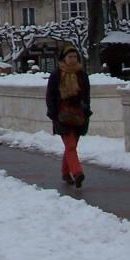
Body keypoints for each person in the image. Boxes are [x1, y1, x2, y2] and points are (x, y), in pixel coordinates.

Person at [45, 46, 92, 188]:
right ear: (63, 58)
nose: (72, 60)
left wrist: (86, 109)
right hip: (61, 114)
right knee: (70, 145)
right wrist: (53, 113)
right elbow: (50, 95)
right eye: (69, 57)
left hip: (78, 115)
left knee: (71, 146)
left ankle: (65, 172)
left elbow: (87, 95)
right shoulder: (56, 74)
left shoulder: (82, 74)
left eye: (74, 57)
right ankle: (77, 172)